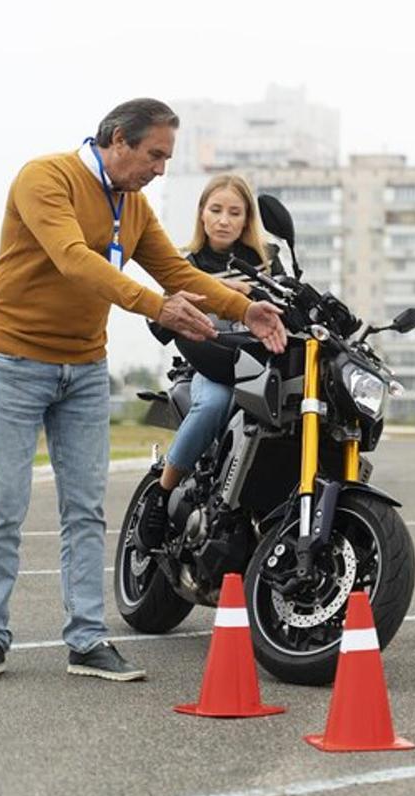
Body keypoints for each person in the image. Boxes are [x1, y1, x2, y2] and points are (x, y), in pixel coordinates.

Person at [0, 98, 287, 683]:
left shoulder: (132, 205)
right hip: (15, 358)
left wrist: (246, 308)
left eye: (167, 157)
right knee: (4, 504)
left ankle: (87, 641)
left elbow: (179, 273)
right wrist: (156, 306)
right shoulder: (46, 178)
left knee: (85, 509)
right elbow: (75, 261)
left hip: (83, 367)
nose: (160, 169)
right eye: (154, 154)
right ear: (117, 139)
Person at [138, 174, 273, 545]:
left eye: (235, 212)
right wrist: (212, 290)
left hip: (258, 368)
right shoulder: (186, 265)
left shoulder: (266, 265)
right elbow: (161, 324)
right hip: (209, 366)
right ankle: (161, 494)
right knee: (216, 403)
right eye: (216, 210)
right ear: (202, 215)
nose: (224, 220)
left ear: (247, 220)